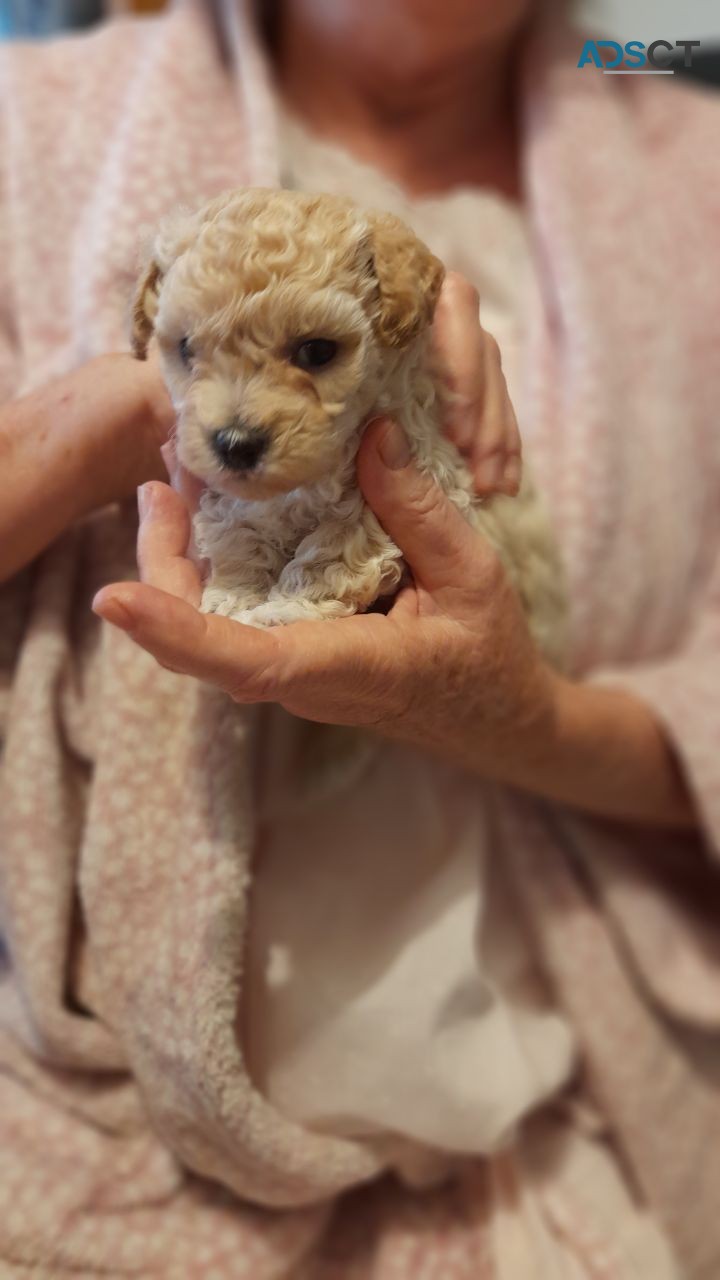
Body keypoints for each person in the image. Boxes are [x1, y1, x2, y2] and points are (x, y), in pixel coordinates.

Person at [1, 1, 719, 1276]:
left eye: (319, 352)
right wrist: (118, 411)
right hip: (97, 1117)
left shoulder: (685, 160)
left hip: (577, 1127)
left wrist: (522, 720)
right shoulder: (34, 119)